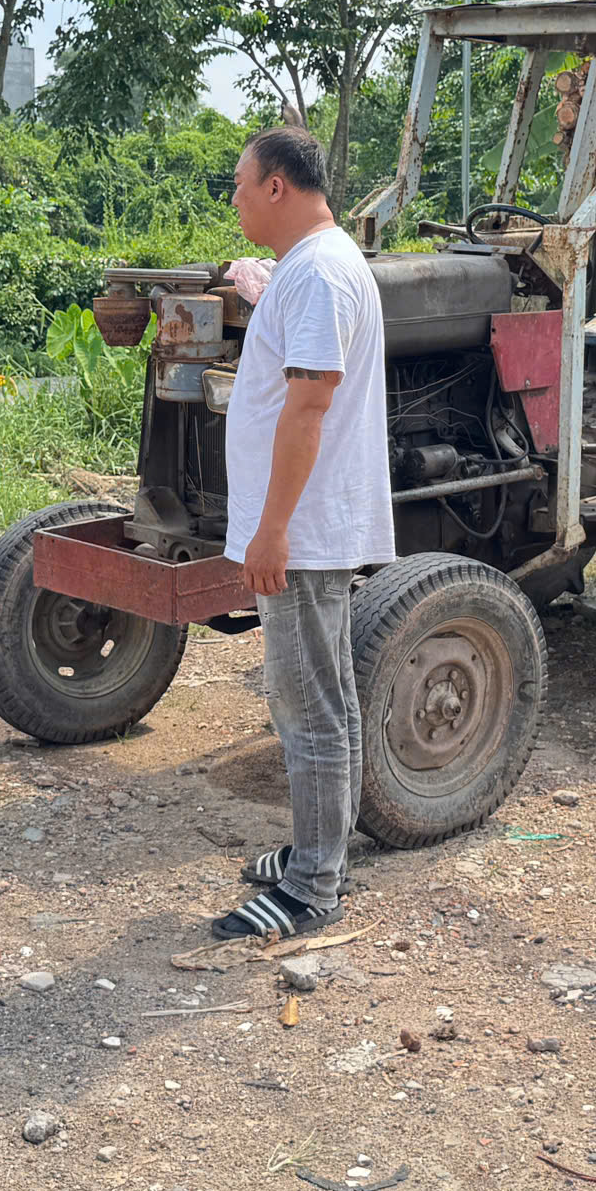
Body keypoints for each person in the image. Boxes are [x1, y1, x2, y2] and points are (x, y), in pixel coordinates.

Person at [210, 125, 392, 941]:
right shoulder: (313, 266)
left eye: (242, 184)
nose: (237, 198)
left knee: (307, 706)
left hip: (305, 528)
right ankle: (322, 851)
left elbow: (309, 404)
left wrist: (272, 529)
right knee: (331, 697)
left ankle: (313, 887)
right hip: (311, 522)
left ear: (276, 186)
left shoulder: (318, 272)